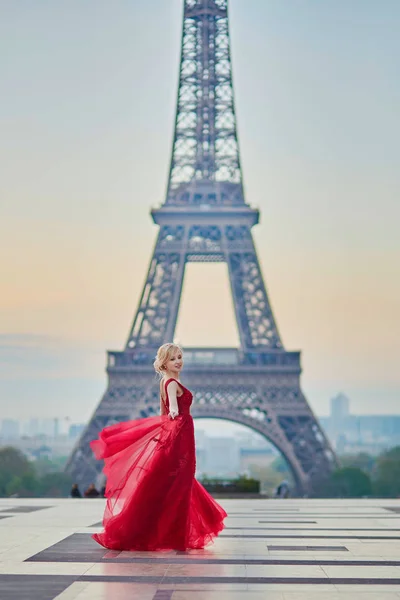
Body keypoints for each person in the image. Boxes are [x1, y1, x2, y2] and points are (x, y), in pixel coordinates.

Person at [90, 342, 227, 551]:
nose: (178, 361)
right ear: (164, 362)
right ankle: (174, 534)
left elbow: (164, 410)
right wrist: (174, 414)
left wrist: (167, 430)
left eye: (179, 357)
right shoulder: (171, 383)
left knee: (173, 483)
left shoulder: (165, 381)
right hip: (181, 435)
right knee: (181, 482)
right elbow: (171, 407)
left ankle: (164, 531)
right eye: (173, 359)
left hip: (177, 436)